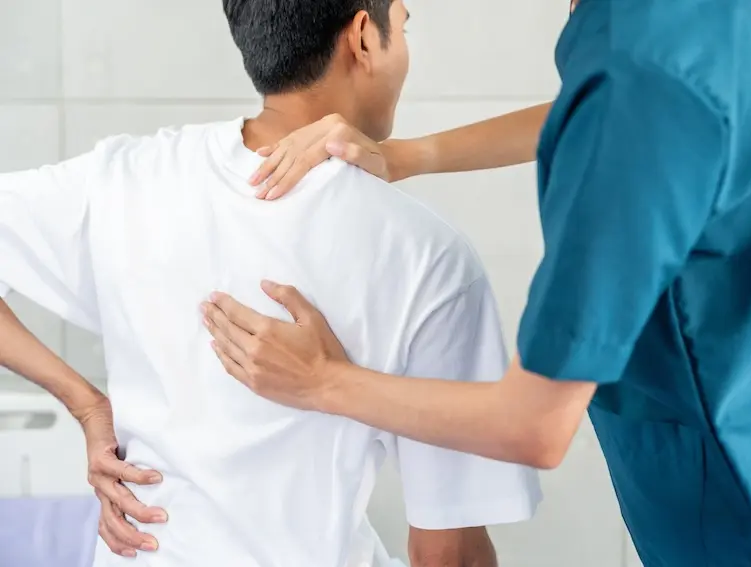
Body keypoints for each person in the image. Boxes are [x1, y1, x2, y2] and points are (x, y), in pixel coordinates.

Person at [202, 0, 751, 565]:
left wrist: (323, 380)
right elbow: (604, 110)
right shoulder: (651, 28)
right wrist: (408, 155)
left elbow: (536, 424)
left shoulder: (639, 74)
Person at [0, 0, 542, 565]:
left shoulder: (125, 177)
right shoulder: (428, 257)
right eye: (402, 28)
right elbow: (447, 552)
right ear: (363, 37)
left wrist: (87, 405)